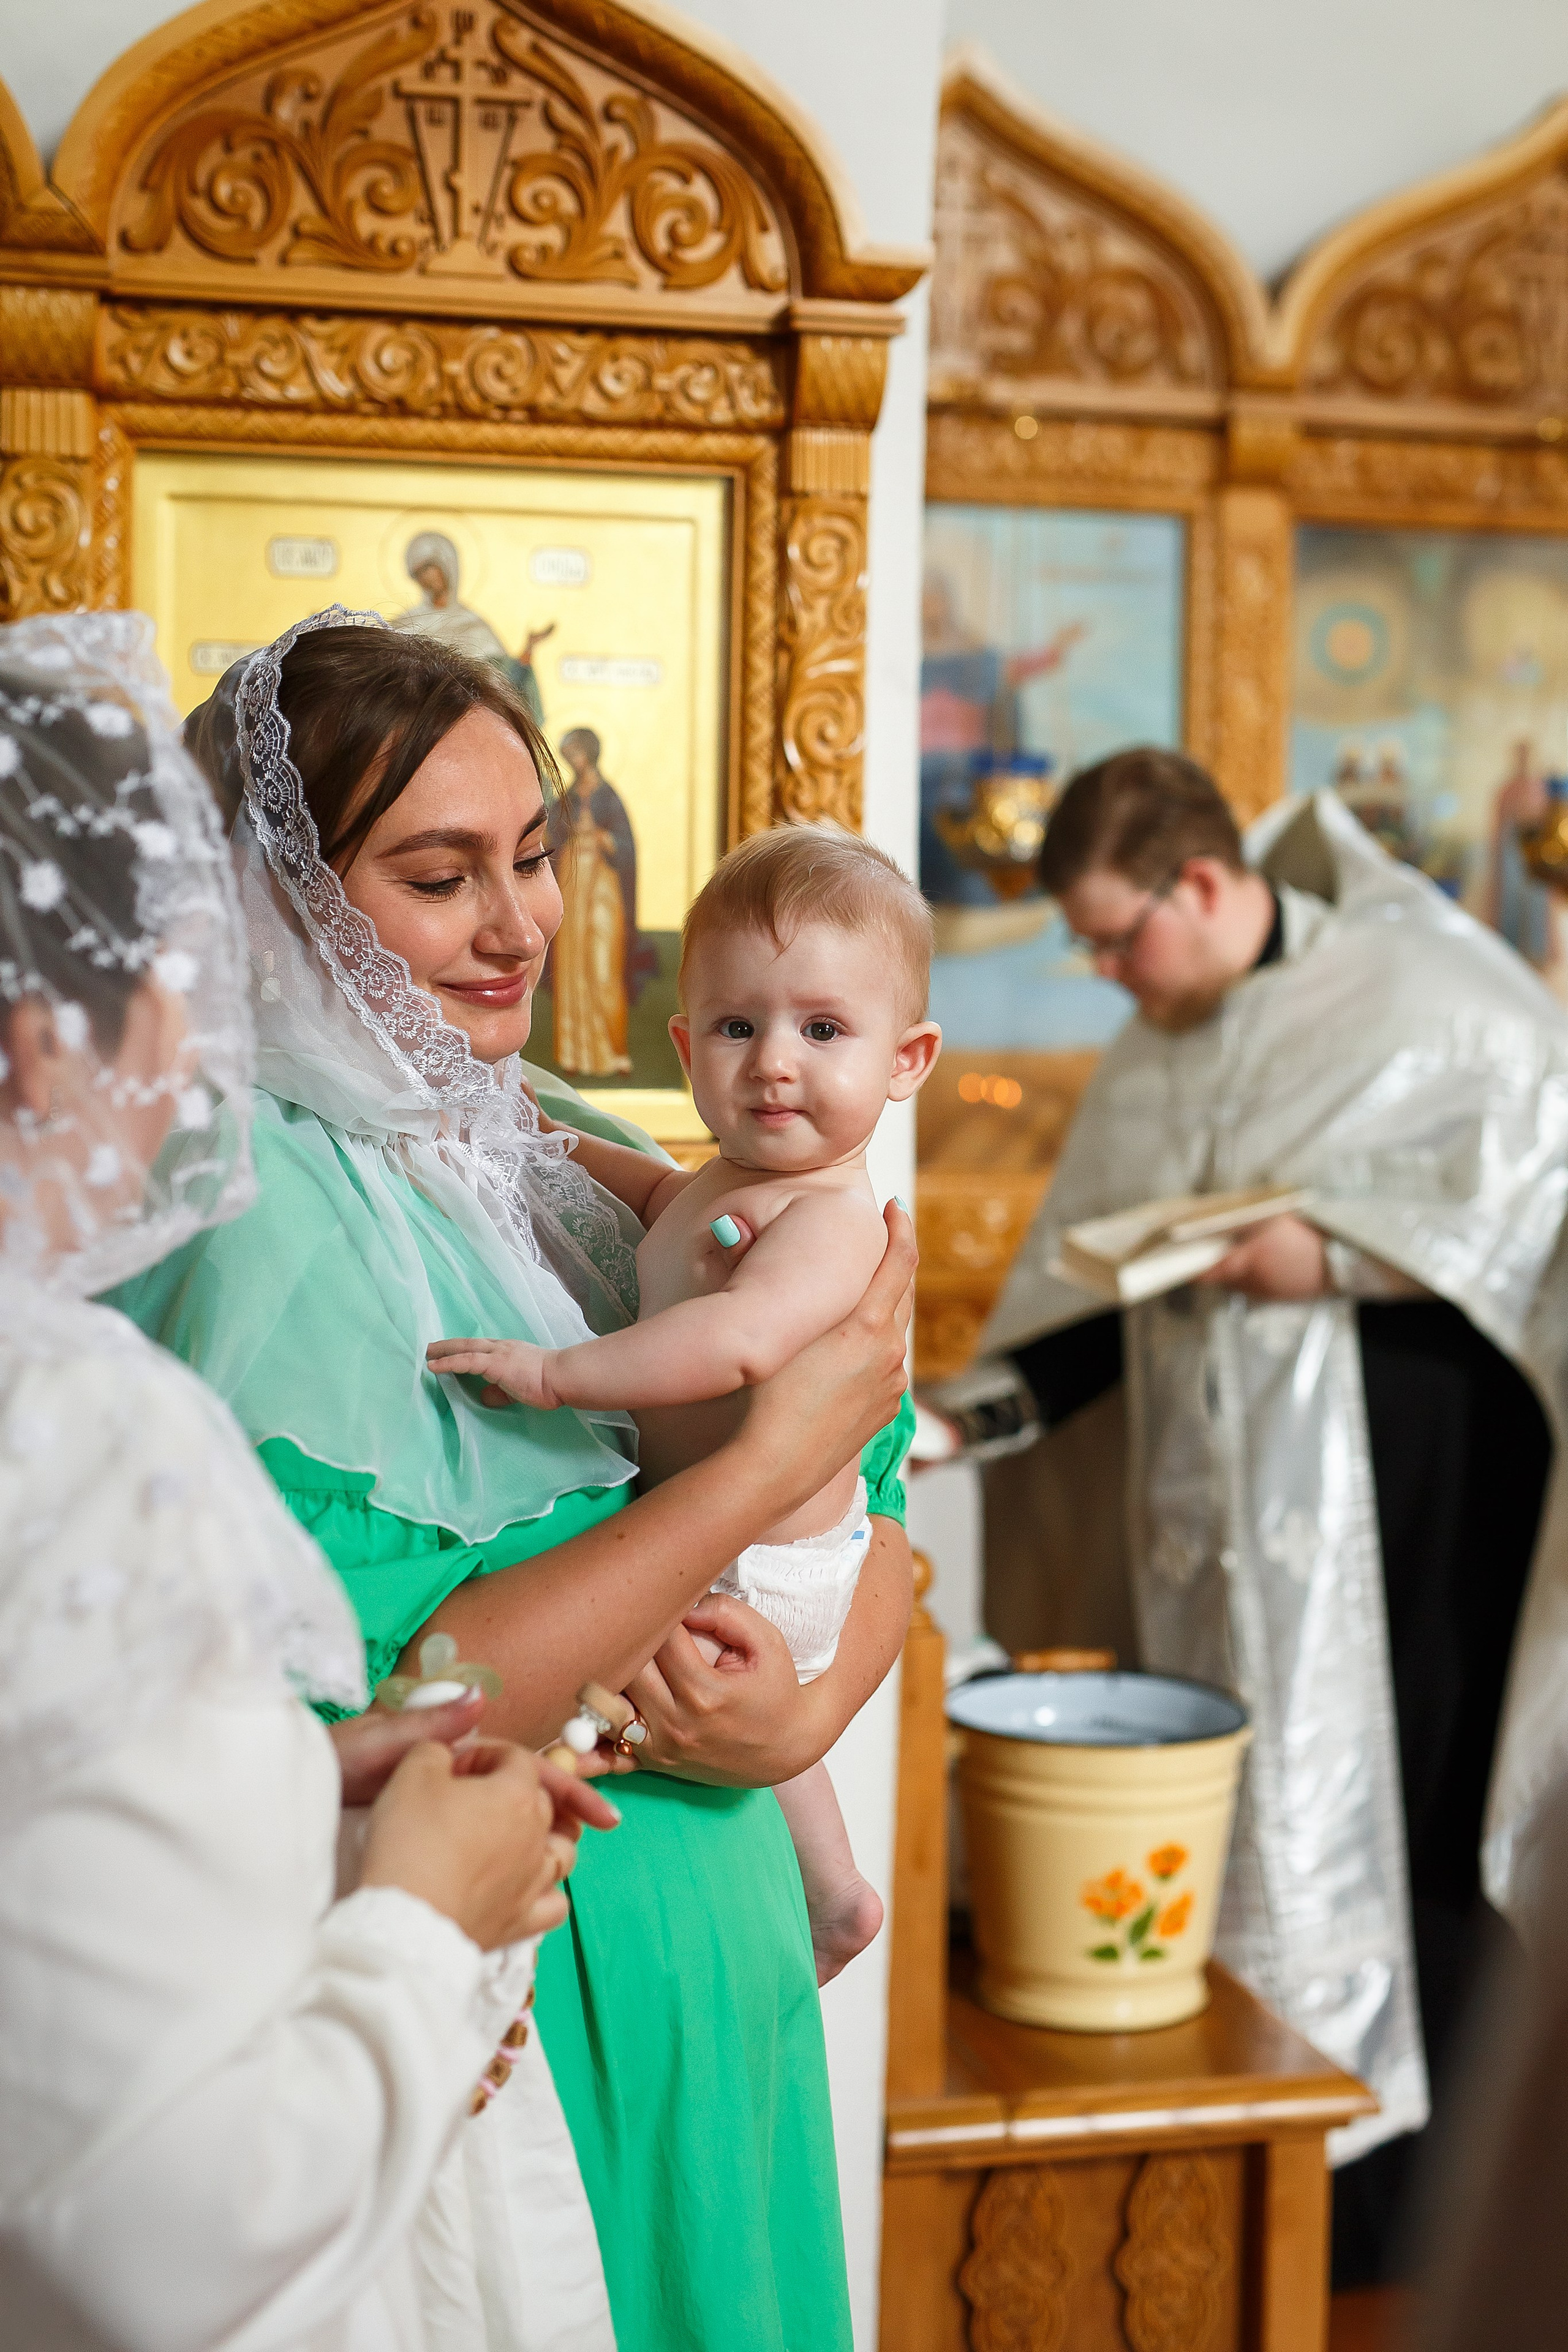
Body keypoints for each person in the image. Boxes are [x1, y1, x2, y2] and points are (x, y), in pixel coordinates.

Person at [117, 606, 919, 2352]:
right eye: (440, 876)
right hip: (531, 2006)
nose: (524, 925)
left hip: (729, 1980)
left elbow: (882, 1483)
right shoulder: (252, 1217)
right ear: (282, 906)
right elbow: (431, 1684)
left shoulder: (521, 1129)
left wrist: (807, 1716)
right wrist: (758, 1467)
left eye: (537, 855)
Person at [0, 611, 608, 2351]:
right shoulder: (73, 1426)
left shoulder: (484, 1141)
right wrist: (422, 1922)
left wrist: (299, 1773)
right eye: (167, 972)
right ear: (50, 1050)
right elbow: (171, 2241)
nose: (199, 1034)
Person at [979, 745, 1568, 2285]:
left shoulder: (1423, 987)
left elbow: (1533, 1190)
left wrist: (1343, 1253)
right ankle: (1261, 2198)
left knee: (1411, 1837)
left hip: (1412, 1510)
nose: (1108, 974)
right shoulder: (1164, 1033)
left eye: (1119, 935)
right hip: (1210, 1513)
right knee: (1238, 1821)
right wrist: (975, 1413)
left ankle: (1409, 2230)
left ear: (1198, 880)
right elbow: (1084, 1277)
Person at [429, 824, 941, 1982]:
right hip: (737, 1538)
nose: (772, 1062)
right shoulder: (738, 1183)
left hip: (766, 1562)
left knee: (650, 1706)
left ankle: (827, 1893)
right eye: (736, 1027)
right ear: (684, 1042)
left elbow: (736, 1341)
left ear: (906, 1059)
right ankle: (839, 1899)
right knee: (717, 1713)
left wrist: (554, 1376)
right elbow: (662, 1198)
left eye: (822, 1031)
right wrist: (543, 1142)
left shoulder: (827, 1222)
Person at [546, 725, 657, 1079]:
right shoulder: (567, 797)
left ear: (590, 753)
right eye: (568, 755)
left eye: (577, 753)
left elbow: (627, 846)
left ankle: (615, 1053)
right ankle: (573, 1053)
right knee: (571, 967)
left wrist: (605, 839)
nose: (574, 761)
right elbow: (548, 837)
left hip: (604, 889)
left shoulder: (609, 796)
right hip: (571, 886)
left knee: (603, 967)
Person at [392, 529, 554, 720]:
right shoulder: (404, 624)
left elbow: (503, 684)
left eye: (429, 567)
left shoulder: (475, 626)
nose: (425, 577)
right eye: (418, 572)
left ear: (447, 565)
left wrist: (529, 647)